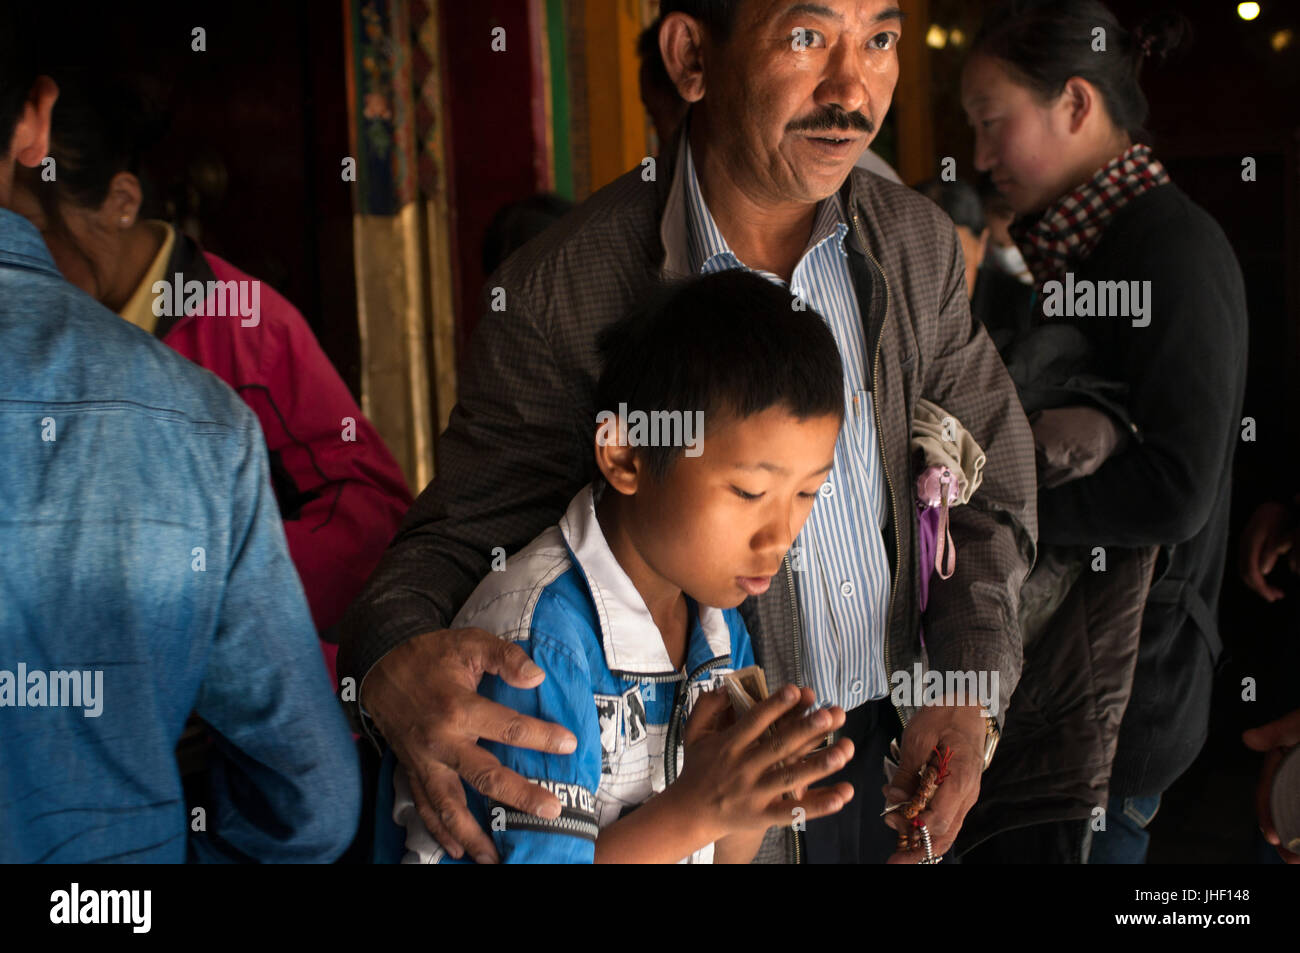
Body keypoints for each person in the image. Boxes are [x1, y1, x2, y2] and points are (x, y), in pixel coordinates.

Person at [344, 0, 1038, 866]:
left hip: (893, 760)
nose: (852, 89)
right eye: (808, 37)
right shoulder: (562, 292)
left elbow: (991, 477)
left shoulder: (912, 246)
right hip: (694, 787)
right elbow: (461, 540)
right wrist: (386, 667)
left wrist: (970, 691)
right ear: (691, 55)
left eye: (881, 40)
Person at [0, 10, 360, 862]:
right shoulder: (195, 420)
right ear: (32, 120)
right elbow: (313, 798)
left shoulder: (250, 325)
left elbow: (368, 510)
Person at [381, 271, 856, 862]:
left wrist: (748, 794)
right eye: (748, 493)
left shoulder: (718, 629)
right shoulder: (542, 644)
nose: (780, 536)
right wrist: (696, 808)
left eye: (807, 494)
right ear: (626, 455)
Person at [8, 69, 413, 685]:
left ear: (121, 203)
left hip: (239, 686)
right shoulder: (29, 337)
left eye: (31, 232)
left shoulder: (246, 330)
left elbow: (372, 519)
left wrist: (212, 583)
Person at [962, 0, 1248, 863]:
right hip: (1072, 700)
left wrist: (999, 514)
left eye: (990, 122)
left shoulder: (1171, 249)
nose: (977, 157)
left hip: (1122, 707)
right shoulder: (1082, 249)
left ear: (1076, 105)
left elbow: (1177, 487)